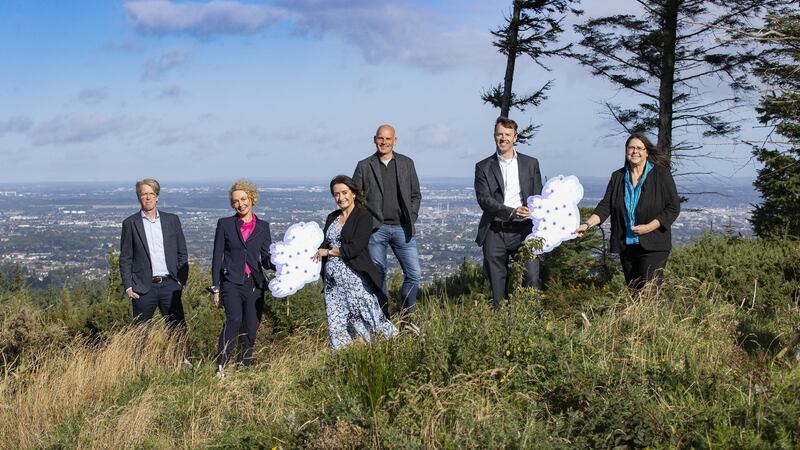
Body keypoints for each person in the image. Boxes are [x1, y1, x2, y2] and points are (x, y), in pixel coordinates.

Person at [576, 133, 680, 291]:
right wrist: (587, 224)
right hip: (627, 246)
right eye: (631, 147)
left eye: (639, 148)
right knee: (635, 294)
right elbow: (606, 205)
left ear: (646, 152)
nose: (635, 151)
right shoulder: (618, 176)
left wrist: (649, 227)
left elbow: (673, 207)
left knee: (649, 294)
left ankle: (650, 316)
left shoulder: (661, 174)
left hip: (654, 244)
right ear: (626, 151)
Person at [313, 175, 397, 350]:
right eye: (336, 194)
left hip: (354, 278)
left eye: (344, 193)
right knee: (337, 320)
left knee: (368, 313)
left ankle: (388, 347)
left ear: (353, 193)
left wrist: (329, 252)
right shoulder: (332, 217)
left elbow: (355, 248)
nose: (341, 198)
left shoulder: (363, 216)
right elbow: (323, 243)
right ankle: (343, 357)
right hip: (333, 283)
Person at [352, 124, 422, 318]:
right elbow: (355, 198)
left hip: (403, 227)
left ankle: (406, 314)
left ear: (395, 141)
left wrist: (412, 217)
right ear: (375, 139)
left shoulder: (407, 163)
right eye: (380, 138)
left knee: (414, 274)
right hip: (376, 229)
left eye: (388, 139)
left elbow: (416, 195)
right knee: (378, 275)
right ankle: (382, 319)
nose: (384, 142)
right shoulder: (364, 166)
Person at [474, 117, 543, 307]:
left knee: (532, 279)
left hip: (525, 230)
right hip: (495, 230)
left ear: (515, 137)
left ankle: (532, 324)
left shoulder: (531, 163)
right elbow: (484, 199)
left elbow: (538, 195)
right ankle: (502, 331)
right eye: (499, 134)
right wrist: (511, 212)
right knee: (498, 288)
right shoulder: (483, 166)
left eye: (507, 134)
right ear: (494, 136)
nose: (503, 138)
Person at [209, 180, 273, 378]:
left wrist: (284, 262)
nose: (240, 204)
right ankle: (222, 365)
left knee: (251, 326)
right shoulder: (225, 224)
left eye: (244, 199)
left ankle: (244, 368)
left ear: (252, 199)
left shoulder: (263, 227)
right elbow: (217, 256)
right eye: (236, 201)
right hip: (231, 282)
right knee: (233, 320)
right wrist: (216, 288)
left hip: (255, 284)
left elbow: (266, 259)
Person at [119, 178, 189, 329]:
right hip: (143, 289)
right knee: (139, 336)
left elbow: (182, 252)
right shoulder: (130, 223)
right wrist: (128, 287)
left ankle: (180, 354)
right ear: (139, 198)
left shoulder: (172, 220)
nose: (148, 197)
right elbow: (125, 258)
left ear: (157, 196)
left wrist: (180, 280)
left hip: (170, 286)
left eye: (151, 193)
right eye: (144, 194)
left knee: (178, 333)